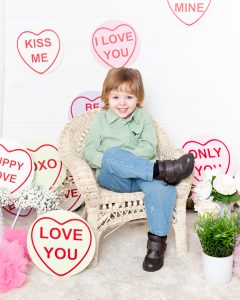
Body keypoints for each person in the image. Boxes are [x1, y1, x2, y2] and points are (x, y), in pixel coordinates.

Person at [83, 67, 194, 272]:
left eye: (129, 97)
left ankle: (156, 247)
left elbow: (149, 147)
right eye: (116, 96)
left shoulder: (143, 117)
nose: (122, 103)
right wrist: (117, 160)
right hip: (114, 178)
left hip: (144, 177)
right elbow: (89, 151)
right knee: (112, 155)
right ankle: (165, 170)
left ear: (139, 98)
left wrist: (131, 163)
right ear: (107, 96)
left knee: (163, 189)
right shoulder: (101, 120)